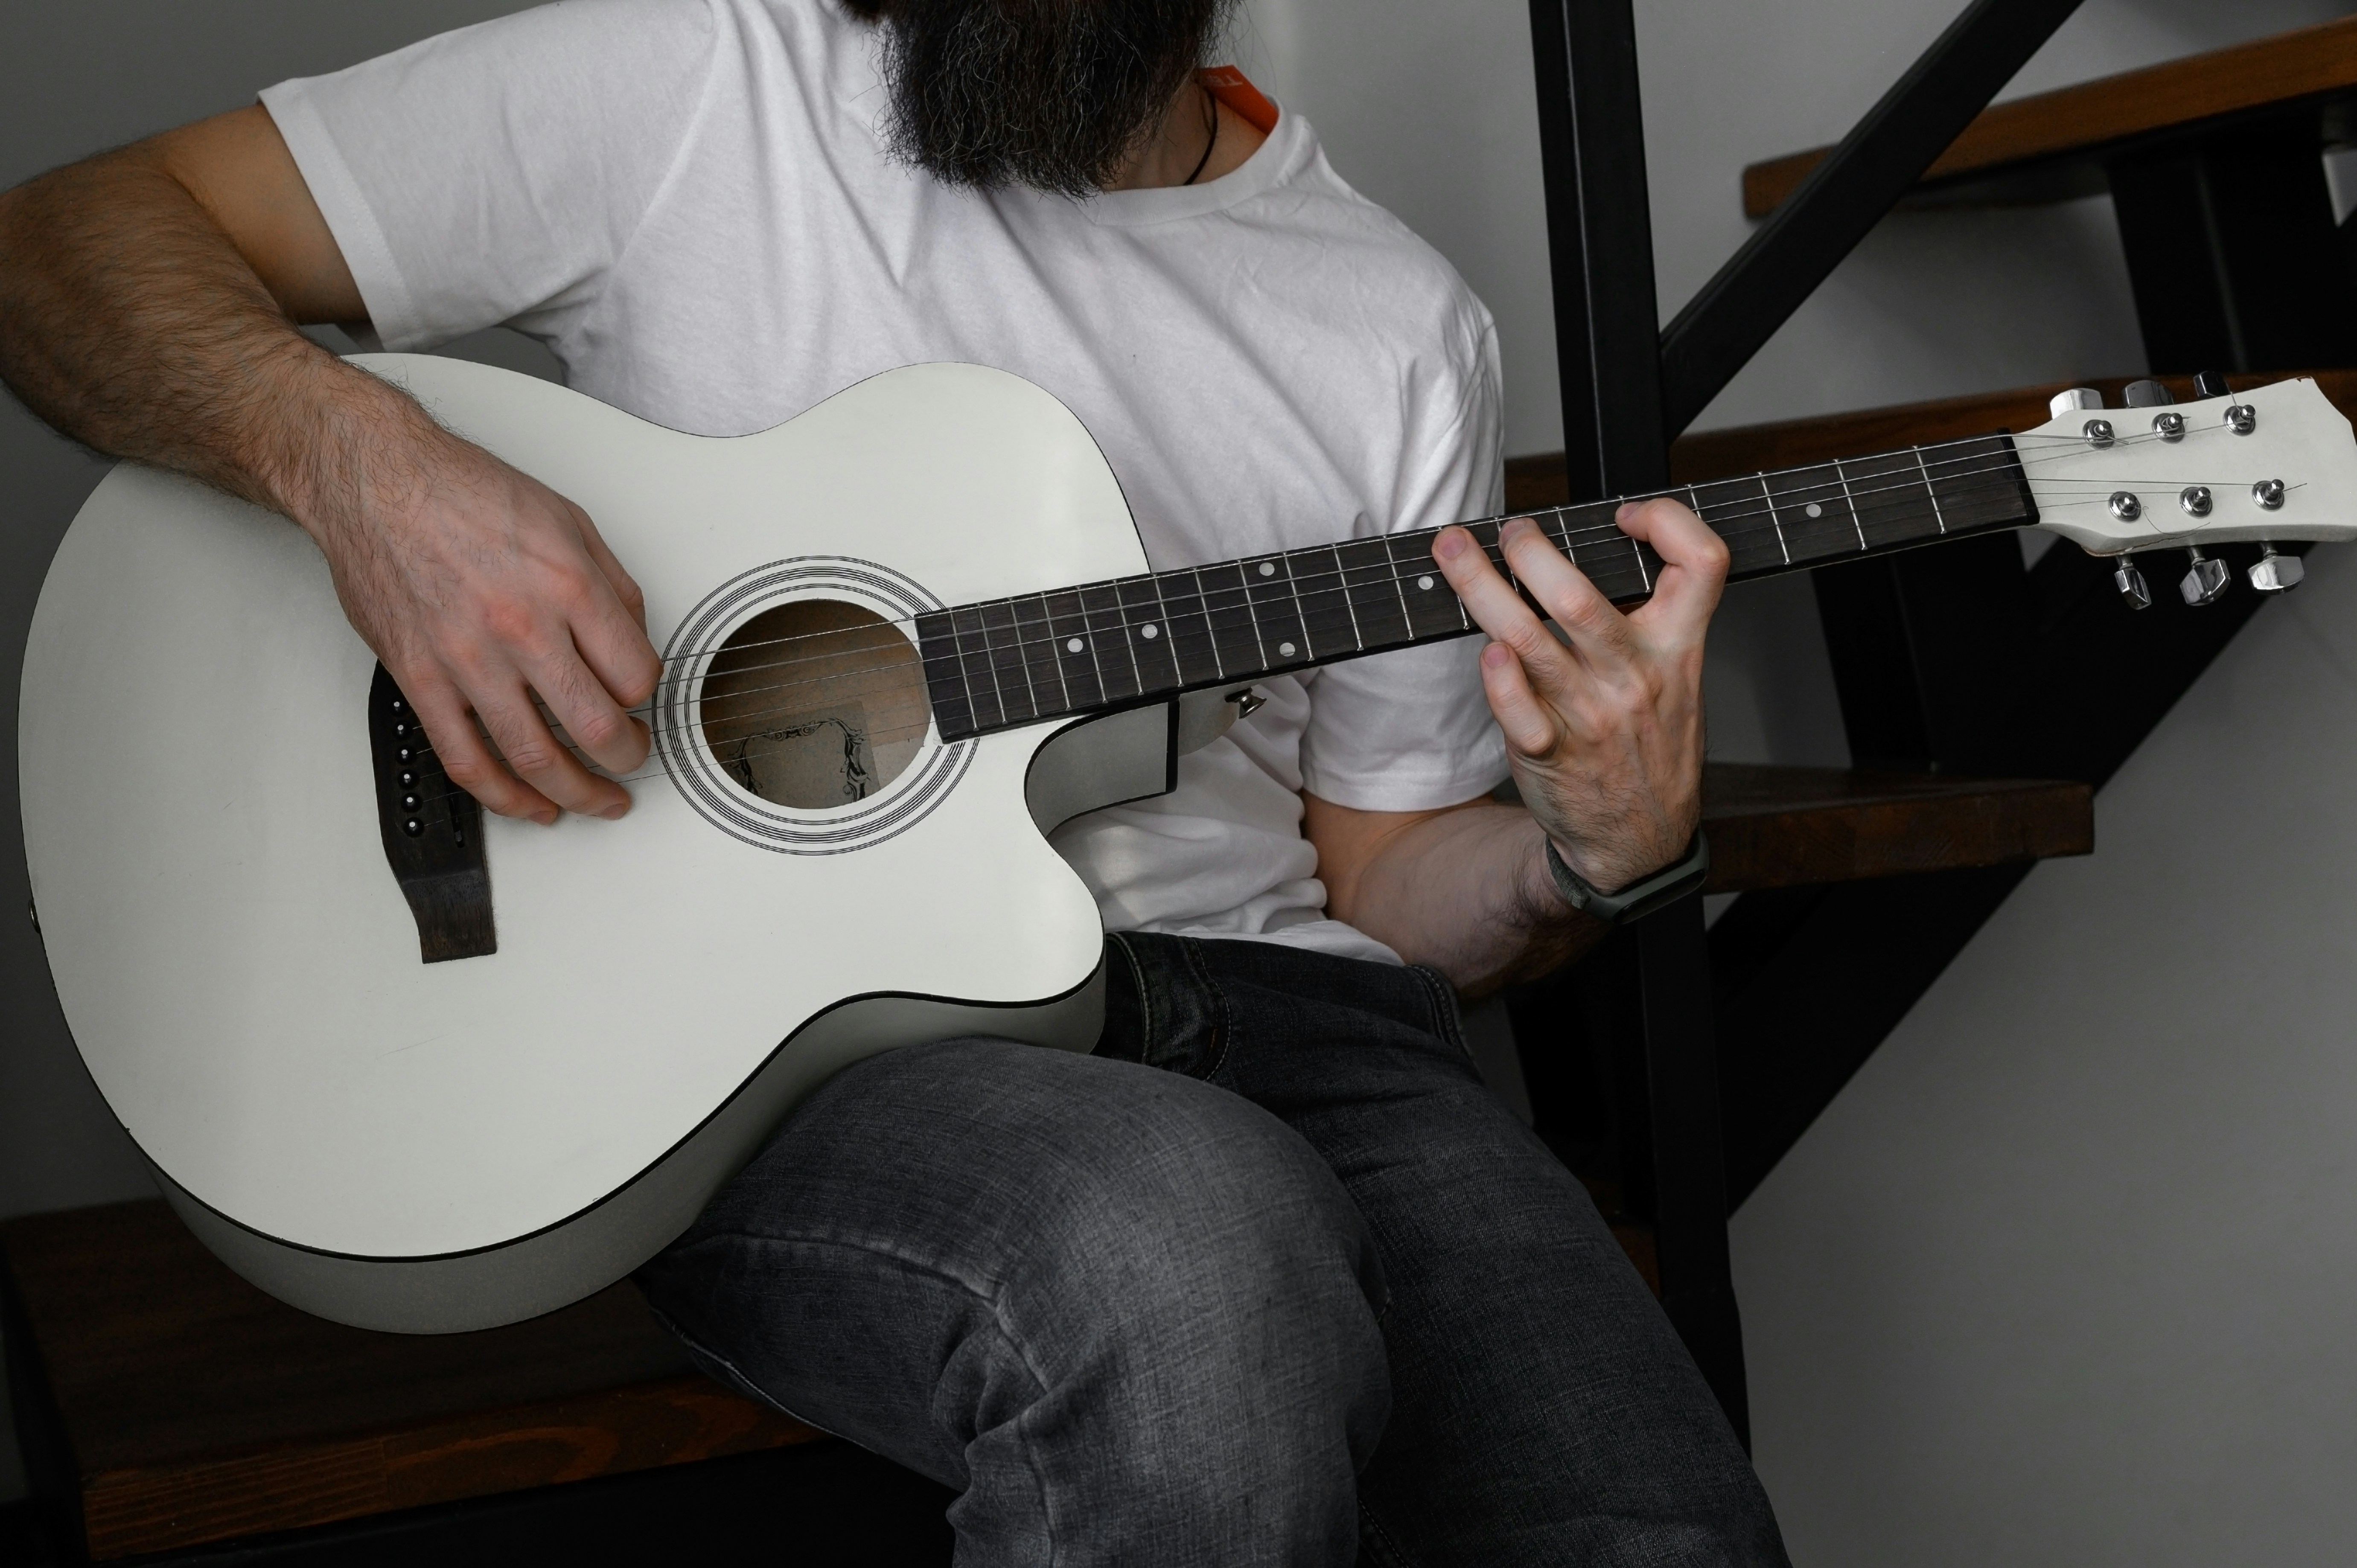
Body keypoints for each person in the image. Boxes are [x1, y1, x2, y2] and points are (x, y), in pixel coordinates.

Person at [0, 0, 1785, 1560]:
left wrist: (1587, 854)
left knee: (1660, 1528)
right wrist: (369, 474)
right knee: (1182, 1251)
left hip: (1305, 1032)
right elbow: (54, 246)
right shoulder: (693, 76)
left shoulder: (1395, 321)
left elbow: (1384, 875)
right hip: (807, 1060)